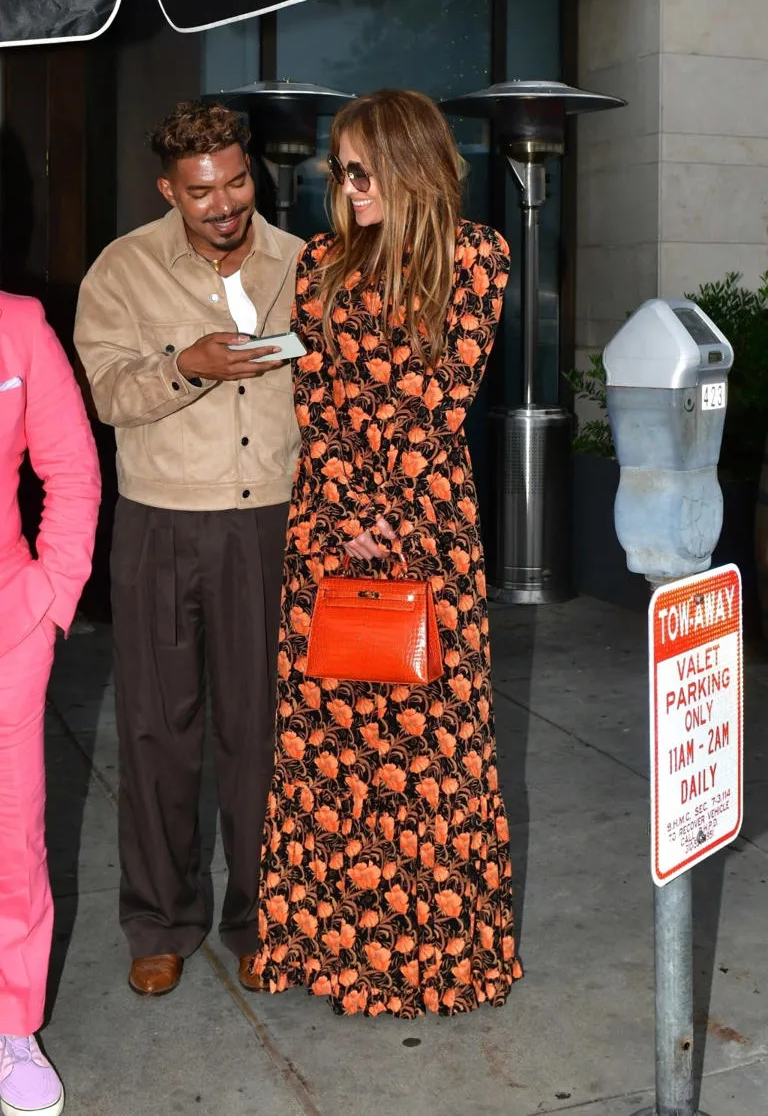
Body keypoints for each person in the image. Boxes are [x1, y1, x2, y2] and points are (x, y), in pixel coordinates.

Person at [251, 88, 523, 1017]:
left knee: (430, 754)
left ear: (409, 162)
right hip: (327, 531)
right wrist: (345, 515)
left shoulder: (478, 257)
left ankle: (432, 962)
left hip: (428, 533)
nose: (346, 184)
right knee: (328, 750)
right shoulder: (321, 264)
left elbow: (437, 398)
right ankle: (336, 958)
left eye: (361, 167)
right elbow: (313, 402)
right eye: (340, 167)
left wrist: (387, 513)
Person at [74, 101, 302, 997]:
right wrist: (187, 366)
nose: (224, 204)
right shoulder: (122, 269)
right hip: (162, 523)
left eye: (237, 181)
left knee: (263, 732)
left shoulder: (300, 262)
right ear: (169, 189)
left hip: (271, 523)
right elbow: (106, 391)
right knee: (157, 732)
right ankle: (160, 921)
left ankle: (260, 918)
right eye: (202, 190)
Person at [0, 293, 100, 1115]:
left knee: (13, 841)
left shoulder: (18, 325)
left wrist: (51, 599)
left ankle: (11, 1025)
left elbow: (71, 468)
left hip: (7, 628)